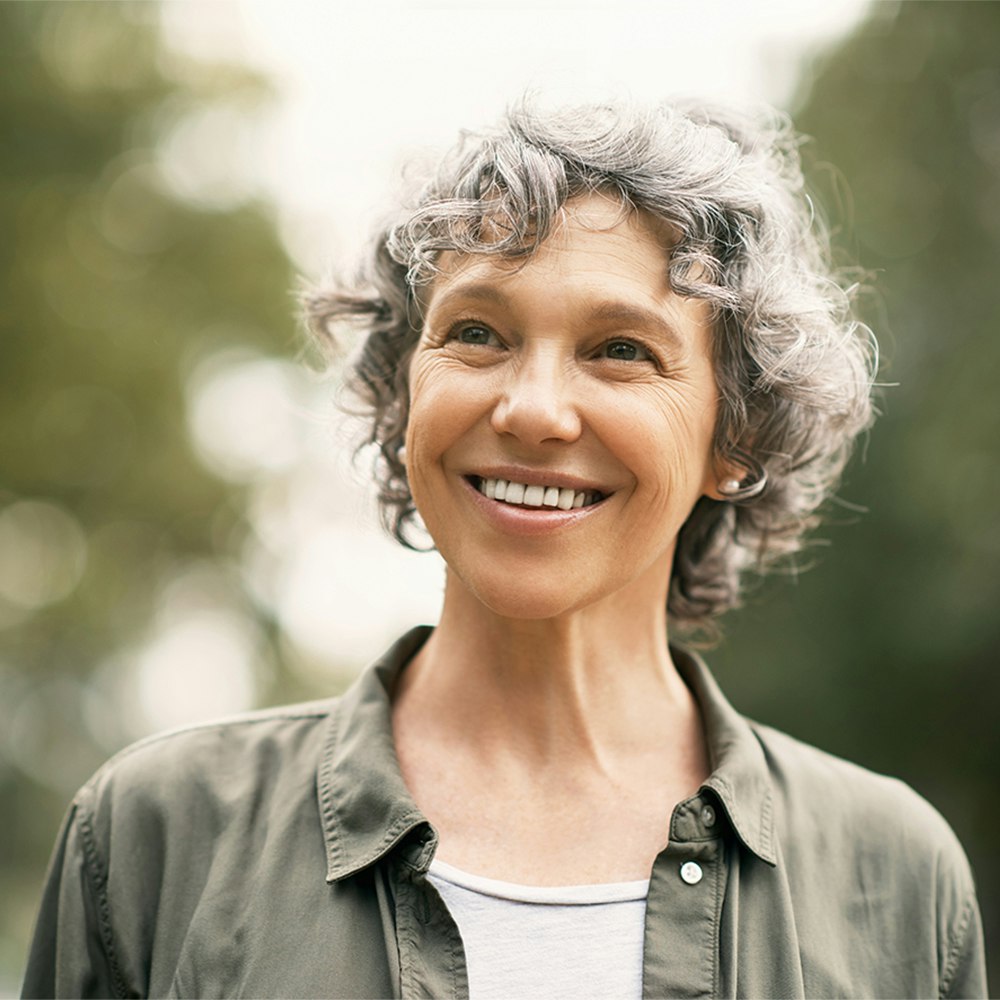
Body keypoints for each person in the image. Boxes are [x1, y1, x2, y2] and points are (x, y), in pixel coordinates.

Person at [23, 98, 987, 999]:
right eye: (477, 333)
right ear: (404, 398)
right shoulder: (154, 837)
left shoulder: (895, 880)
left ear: (735, 440)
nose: (531, 409)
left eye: (621, 350)